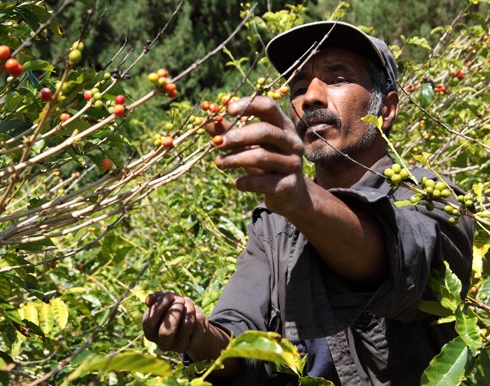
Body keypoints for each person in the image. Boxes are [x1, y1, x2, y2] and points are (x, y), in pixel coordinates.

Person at [141, 21, 475, 385]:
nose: (311, 97)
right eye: (298, 87)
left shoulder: (433, 198)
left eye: (337, 78)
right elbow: (239, 338)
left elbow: (395, 258)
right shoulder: (273, 226)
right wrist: (196, 335)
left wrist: (301, 199)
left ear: (387, 109)